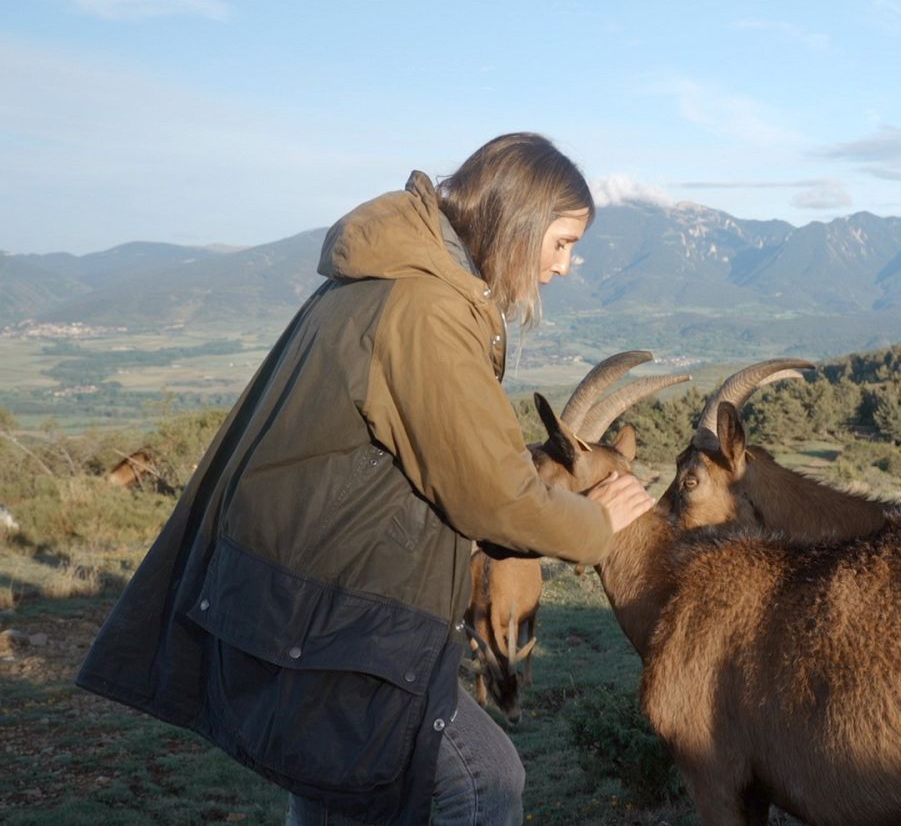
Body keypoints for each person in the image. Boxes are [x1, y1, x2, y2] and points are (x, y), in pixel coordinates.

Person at [75, 133, 656, 826]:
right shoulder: (426, 308)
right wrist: (599, 523)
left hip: (300, 604)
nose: (564, 266)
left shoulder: (389, 277)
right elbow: (495, 494)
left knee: (341, 791)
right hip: (336, 613)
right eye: (561, 243)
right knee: (484, 781)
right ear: (518, 222)